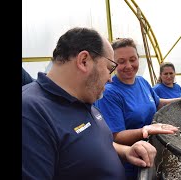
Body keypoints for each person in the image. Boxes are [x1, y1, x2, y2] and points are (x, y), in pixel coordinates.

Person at [22, 27, 159, 180]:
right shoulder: (31, 113)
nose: (110, 79)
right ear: (84, 61)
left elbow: (94, 144)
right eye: (109, 68)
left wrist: (126, 152)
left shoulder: (82, 97)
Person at [94, 38, 181, 179]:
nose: (128, 65)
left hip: (152, 151)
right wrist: (144, 131)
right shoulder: (110, 93)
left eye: (132, 59)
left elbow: (157, 103)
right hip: (130, 160)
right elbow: (115, 137)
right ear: (113, 64)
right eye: (121, 62)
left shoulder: (142, 81)